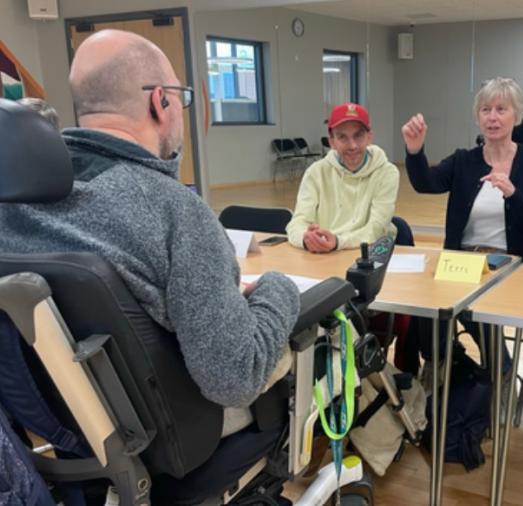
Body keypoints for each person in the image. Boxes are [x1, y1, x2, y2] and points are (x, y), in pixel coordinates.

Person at [0, 30, 300, 424]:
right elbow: (234, 378)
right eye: (181, 98)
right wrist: (281, 287)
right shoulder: (174, 211)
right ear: (160, 100)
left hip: (54, 427)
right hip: (171, 433)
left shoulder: (12, 206)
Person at [402, 77, 523, 364]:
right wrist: (414, 151)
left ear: (517, 115)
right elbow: (427, 183)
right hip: (462, 260)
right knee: (425, 306)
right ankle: (451, 368)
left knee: (463, 304)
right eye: (486, 110)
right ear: (477, 117)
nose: (493, 117)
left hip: (511, 264)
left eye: (501, 109)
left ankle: (497, 366)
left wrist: (513, 194)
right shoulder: (464, 160)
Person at [286, 102, 399, 253]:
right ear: (332, 142)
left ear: (369, 137)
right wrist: (307, 239)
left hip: (370, 253)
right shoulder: (316, 172)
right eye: (342, 137)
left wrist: (338, 242)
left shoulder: (387, 173)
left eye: (358, 136)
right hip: (324, 256)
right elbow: (297, 222)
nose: (352, 145)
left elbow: (376, 229)